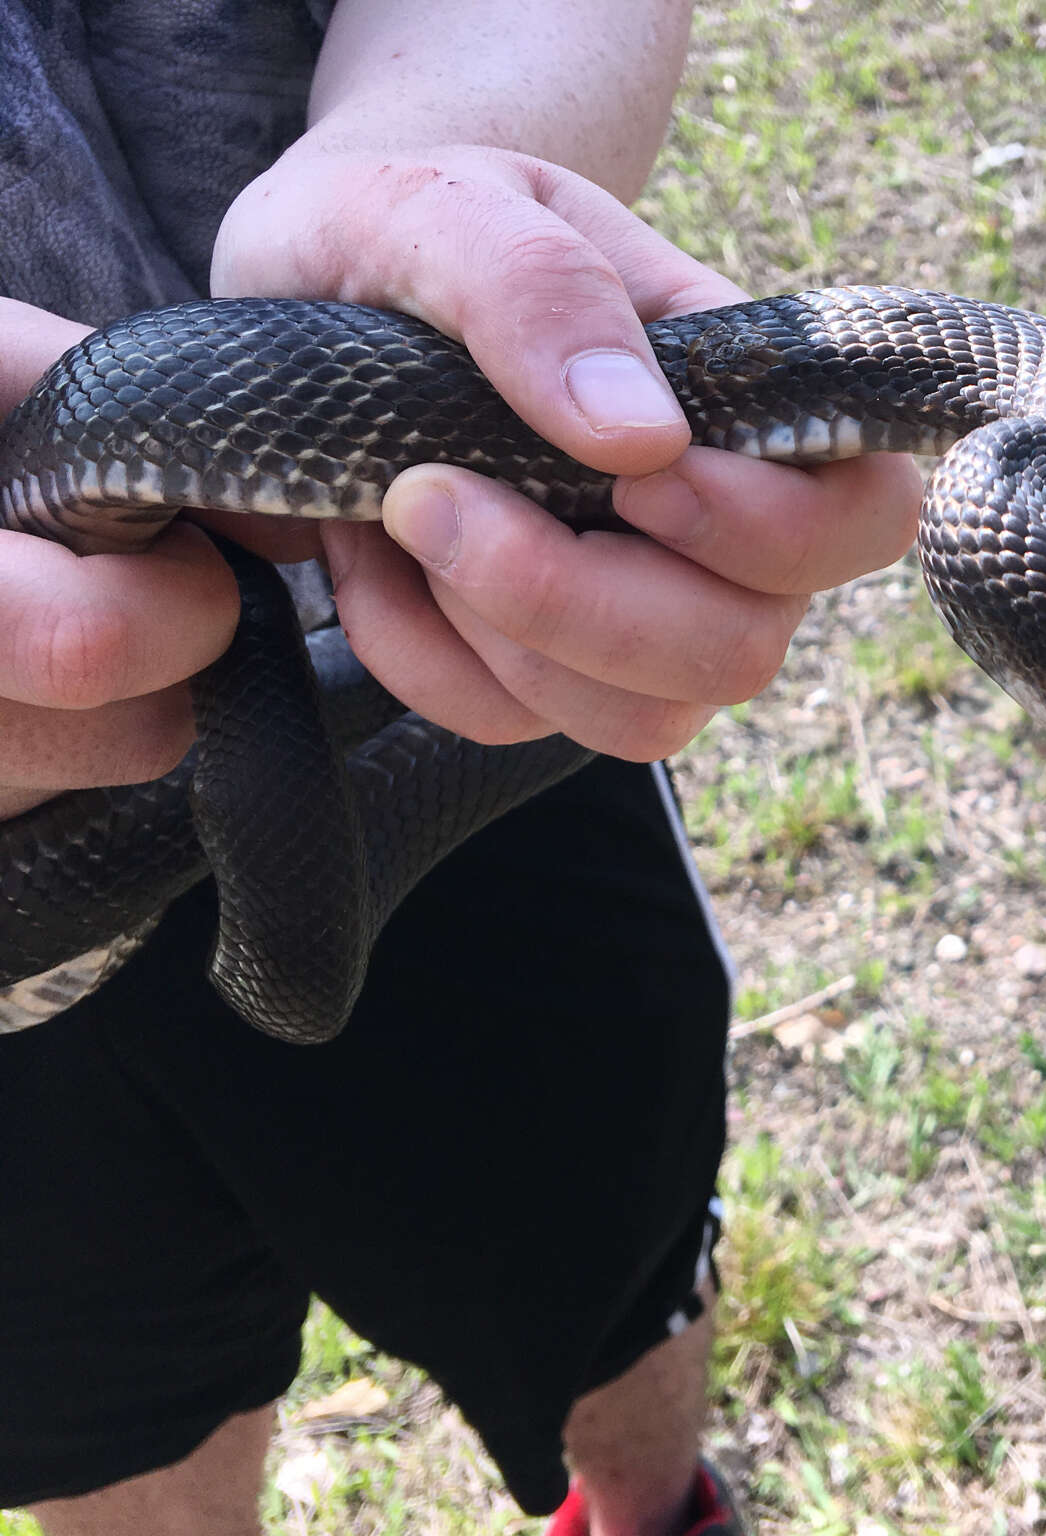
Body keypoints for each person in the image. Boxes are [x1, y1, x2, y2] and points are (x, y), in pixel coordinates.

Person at [0, 3, 923, 1533]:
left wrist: (426, 168)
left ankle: (649, 1510)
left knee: (597, 1241)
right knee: (96, 1406)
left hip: (470, 655)